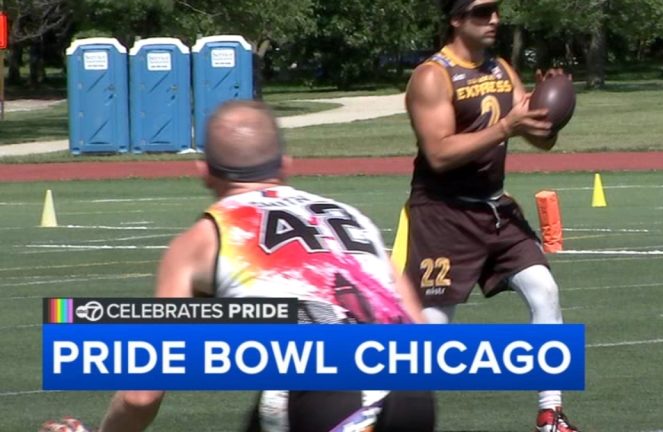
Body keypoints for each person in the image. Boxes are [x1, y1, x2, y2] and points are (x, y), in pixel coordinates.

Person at [45, 100, 434, 432]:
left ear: (204, 172)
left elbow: (142, 392)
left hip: (324, 392)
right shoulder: (349, 216)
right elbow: (418, 331)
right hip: (411, 393)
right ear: (285, 164)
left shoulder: (202, 239)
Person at [397, 0, 581, 432]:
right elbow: (438, 153)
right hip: (443, 212)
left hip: (495, 209)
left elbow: (540, 139)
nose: (494, 19)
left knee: (545, 290)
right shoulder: (432, 76)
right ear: (457, 20)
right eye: (482, 12)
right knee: (433, 330)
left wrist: (548, 111)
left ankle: (550, 414)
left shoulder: (501, 68)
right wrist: (504, 128)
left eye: (496, 10)